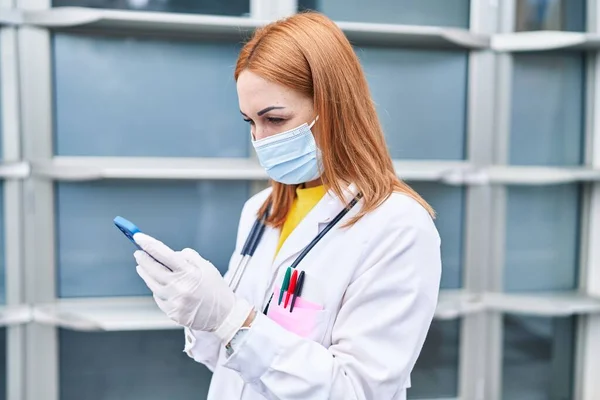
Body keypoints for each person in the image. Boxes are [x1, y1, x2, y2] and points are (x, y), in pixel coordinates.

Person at [133, 11, 441, 400]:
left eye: (274, 119)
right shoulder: (261, 211)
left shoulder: (398, 226)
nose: (260, 140)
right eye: (249, 122)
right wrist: (198, 309)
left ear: (333, 107)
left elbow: (356, 391)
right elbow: (225, 361)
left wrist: (232, 319)